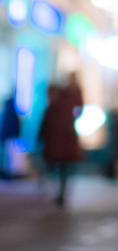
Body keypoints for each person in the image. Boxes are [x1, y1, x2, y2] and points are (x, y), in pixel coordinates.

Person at [38, 77, 84, 206]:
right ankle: (59, 194)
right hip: (59, 145)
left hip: (57, 146)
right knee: (60, 169)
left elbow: (45, 126)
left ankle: (58, 194)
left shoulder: (55, 108)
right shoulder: (61, 107)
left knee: (58, 169)